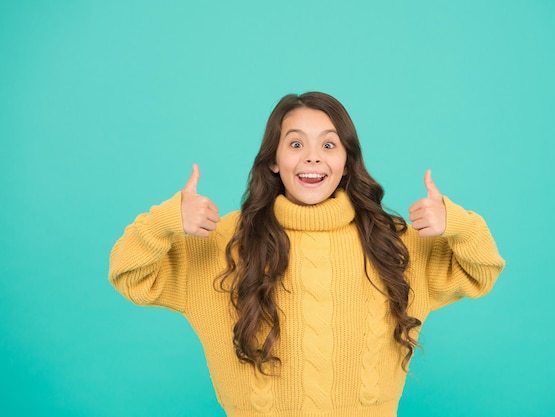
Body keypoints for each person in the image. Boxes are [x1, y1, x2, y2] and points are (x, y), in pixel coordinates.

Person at [109, 91, 505, 416]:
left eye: (328, 144)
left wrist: (458, 223)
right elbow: (129, 273)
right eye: (296, 143)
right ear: (274, 162)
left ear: (347, 162)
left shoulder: (392, 242)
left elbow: (481, 270)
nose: (313, 156)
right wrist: (163, 221)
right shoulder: (223, 241)